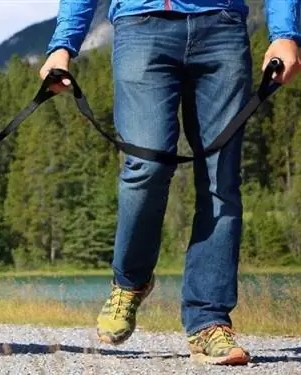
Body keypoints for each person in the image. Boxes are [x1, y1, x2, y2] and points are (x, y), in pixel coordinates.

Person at [40, 0, 300, 366]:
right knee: (145, 167)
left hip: (221, 25)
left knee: (220, 178)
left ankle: (209, 321)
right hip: (140, 25)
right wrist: (63, 44)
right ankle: (130, 281)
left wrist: (285, 33)